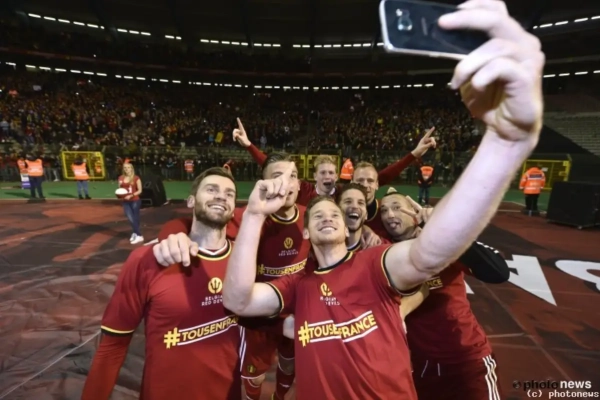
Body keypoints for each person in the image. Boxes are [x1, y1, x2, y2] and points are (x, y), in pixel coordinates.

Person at [219, 2, 545, 397]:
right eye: (317, 214)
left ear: (348, 228)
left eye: (334, 213)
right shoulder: (298, 286)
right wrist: (254, 214)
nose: (328, 215)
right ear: (305, 230)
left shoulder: (376, 265)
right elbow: (238, 300)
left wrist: (506, 143)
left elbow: (428, 254)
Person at [154, 153, 309, 400]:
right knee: (254, 377)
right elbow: (191, 222)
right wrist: (173, 235)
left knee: (290, 365)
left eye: (292, 176)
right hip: (258, 318)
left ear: (299, 184)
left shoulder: (310, 217)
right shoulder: (249, 217)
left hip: (295, 313)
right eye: (277, 176)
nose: (285, 183)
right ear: (264, 184)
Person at [82, 167, 245, 400]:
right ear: (191, 201)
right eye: (211, 189)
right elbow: (112, 347)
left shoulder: (246, 261)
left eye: (229, 194)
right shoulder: (146, 259)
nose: (221, 196)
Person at [379, 189, 509, 400]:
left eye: (397, 207)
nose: (390, 215)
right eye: (384, 210)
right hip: (423, 366)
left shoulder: (443, 243)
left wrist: (445, 230)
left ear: (414, 212)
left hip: (466, 358)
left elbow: (498, 273)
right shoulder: (382, 253)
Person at [232, 117, 435, 205]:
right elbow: (274, 168)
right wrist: (249, 145)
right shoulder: (303, 190)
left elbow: (381, 178)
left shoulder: (343, 192)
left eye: (330, 172)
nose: (327, 176)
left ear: (336, 176)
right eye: (323, 173)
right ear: (315, 176)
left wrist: (414, 154)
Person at [118, 163, 144, 244]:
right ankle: (136, 233)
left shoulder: (136, 178)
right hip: (126, 201)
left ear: (131, 168)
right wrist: (119, 195)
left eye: (128, 167)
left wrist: (131, 195)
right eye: (125, 167)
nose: (126, 169)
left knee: (135, 218)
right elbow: (120, 190)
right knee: (130, 218)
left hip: (135, 200)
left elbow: (140, 190)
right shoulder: (121, 178)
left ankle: (139, 235)